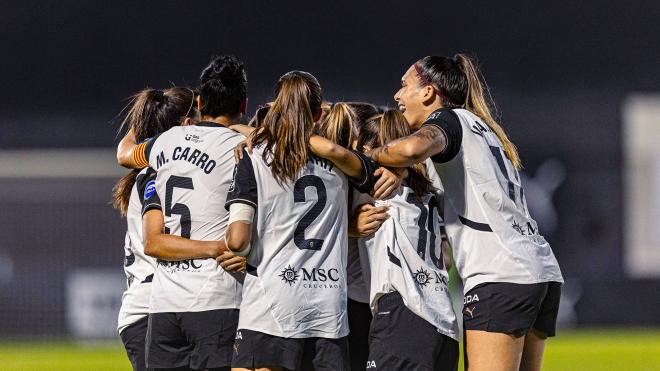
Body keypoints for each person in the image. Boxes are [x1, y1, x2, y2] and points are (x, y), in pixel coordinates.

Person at [367, 54, 564, 371]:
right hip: (540, 270)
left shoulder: (448, 120)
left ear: (428, 93)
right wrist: (403, 171)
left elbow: (411, 149)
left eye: (405, 86)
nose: (397, 96)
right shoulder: (483, 130)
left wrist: (376, 156)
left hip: (500, 273)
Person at [224, 71, 377, 371]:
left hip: (270, 306)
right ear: (318, 114)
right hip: (327, 310)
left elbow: (237, 241)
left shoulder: (255, 158)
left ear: (276, 109)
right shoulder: (343, 165)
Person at [117, 55, 249, 371]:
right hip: (214, 295)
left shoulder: (164, 146)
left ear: (201, 102)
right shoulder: (244, 148)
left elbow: (124, 154)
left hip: (164, 302)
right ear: (243, 105)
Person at [113, 86, 222, 371]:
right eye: (199, 118)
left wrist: (145, 124)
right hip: (153, 305)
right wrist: (217, 248)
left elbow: (125, 152)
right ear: (186, 125)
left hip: (160, 304)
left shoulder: (155, 164)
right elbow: (157, 242)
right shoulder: (162, 172)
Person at [353, 109, 459, 370]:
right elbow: (446, 259)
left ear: (366, 148)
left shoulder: (372, 183)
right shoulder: (429, 191)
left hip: (402, 311)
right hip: (444, 322)